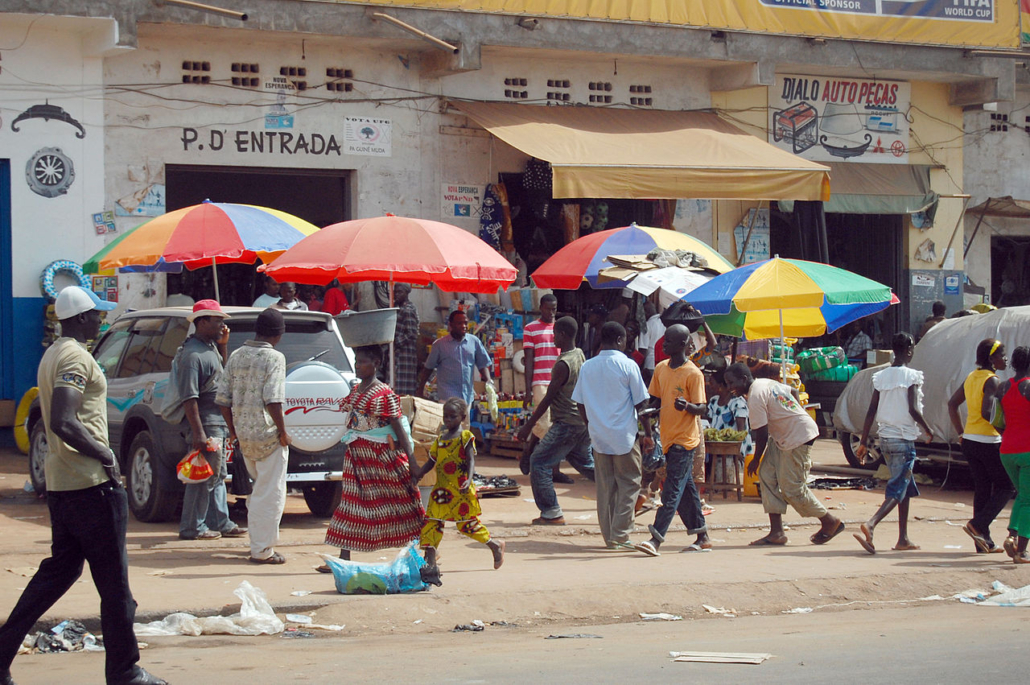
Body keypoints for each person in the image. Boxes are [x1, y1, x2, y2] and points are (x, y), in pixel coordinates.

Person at [0, 286, 166, 685]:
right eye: (96, 314)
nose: (101, 320)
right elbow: (63, 418)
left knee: (57, 573)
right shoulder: (74, 355)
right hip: (91, 485)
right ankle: (125, 671)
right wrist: (106, 455)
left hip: (64, 484)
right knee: (115, 587)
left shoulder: (53, 354)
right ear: (79, 318)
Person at [318, 345, 424, 572]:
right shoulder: (356, 390)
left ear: (376, 363)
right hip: (357, 456)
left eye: (363, 362)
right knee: (349, 503)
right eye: (356, 361)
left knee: (401, 504)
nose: (357, 365)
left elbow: (400, 430)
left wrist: (412, 462)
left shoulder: (384, 394)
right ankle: (343, 558)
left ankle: (423, 552)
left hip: (382, 458)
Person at [724, 362, 845, 546]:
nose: (730, 388)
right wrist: (795, 413)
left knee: (792, 488)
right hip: (784, 436)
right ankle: (777, 532)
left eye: (732, 383)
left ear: (744, 379)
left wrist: (756, 459)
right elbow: (793, 391)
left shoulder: (755, 396)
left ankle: (829, 521)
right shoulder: (765, 383)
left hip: (797, 437)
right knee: (766, 474)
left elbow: (762, 433)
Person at [216, 308, 291, 565]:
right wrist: (283, 431)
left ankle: (259, 542)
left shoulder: (236, 355)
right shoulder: (275, 358)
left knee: (257, 492)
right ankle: (262, 550)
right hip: (268, 436)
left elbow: (223, 399)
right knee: (270, 494)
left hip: (245, 437)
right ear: (279, 335)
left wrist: (234, 430)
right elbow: (274, 399)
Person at [572, 322, 654, 549]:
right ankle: (621, 533)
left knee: (606, 488)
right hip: (624, 435)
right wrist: (648, 434)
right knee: (629, 483)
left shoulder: (588, 366)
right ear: (619, 339)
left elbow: (579, 402)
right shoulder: (627, 365)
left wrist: (591, 424)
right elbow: (642, 404)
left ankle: (610, 537)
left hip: (599, 436)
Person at [172, 300, 247, 541]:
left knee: (217, 474)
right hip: (207, 423)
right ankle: (193, 527)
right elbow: (189, 397)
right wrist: (198, 433)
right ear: (202, 322)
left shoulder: (210, 347)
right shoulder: (192, 355)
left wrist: (223, 347)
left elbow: (222, 376)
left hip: (218, 423)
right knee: (202, 476)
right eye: (218, 321)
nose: (222, 326)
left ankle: (220, 522)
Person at [852, 332, 933, 554]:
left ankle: (903, 538)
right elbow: (913, 409)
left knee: (904, 487)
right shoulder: (912, 376)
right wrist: (928, 428)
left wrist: (864, 440)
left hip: (885, 439)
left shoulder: (881, 376)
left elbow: (871, 410)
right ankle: (871, 523)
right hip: (903, 440)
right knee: (898, 488)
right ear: (908, 349)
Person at [634, 324, 710, 557]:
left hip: (685, 440)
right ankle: (702, 536)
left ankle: (656, 538)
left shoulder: (693, 373)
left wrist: (688, 406)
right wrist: (645, 414)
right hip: (666, 437)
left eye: (668, 341)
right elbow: (655, 400)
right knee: (686, 489)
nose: (663, 344)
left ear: (682, 345)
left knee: (672, 491)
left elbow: (702, 408)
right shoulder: (661, 368)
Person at [412, 398, 505, 585]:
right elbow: (432, 461)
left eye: (452, 416)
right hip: (441, 492)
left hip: (461, 490)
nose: (448, 420)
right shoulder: (440, 440)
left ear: (462, 417)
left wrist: (469, 479)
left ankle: (494, 545)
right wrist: (418, 475)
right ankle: (430, 563)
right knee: (432, 523)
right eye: (445, 416)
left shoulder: (466, 437)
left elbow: (471, 460)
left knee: (467, 525)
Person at [517, 317, 595, 525]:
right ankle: (622, 489)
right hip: (581, 423)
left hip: (566, 424)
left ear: (562, 335)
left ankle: (551, 512)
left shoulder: (562, 364)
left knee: (539, 462)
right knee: (586, 464)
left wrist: (528, 426)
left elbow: (548, 399)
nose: (552, 338)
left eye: (555, 334)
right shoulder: (579, 355)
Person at [948, 338, 1013, 553]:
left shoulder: (972, 377)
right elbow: (987, 413)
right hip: (987, 441)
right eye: (1002, 354)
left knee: (983, 489)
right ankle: (979, 525)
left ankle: (981, 542)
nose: (1005, 358)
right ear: (991, 358)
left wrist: (960, 432)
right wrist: (1005, 431)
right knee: (1006, 486)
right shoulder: (993, 380)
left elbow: (952, 404)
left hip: (970, 441)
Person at [519, 293, 573, 484]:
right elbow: (529, 361)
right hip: (540, 381)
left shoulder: (561, 328)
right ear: (541, 308)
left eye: (554, 309)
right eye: (548, 308)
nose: (551, 312)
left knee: (558, 424)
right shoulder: (530, 329)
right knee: (545, 424)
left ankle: (553, 468)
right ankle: (532, 453)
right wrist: (527, 390)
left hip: (559, 381)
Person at [989, 346, 1030, 563]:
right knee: (1029, 499)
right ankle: (1022, 551)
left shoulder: (1003, 387)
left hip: (1007, 450)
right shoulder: (1029, 387)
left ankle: (1012, 536)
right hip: (1027, 451)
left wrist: (1008, 435)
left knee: (1023, 496)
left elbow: (994, 419)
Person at [418, 310, 492, 414]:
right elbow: (428, 367)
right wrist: (420, 388)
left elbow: (483, 363)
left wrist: (488, 380)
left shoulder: (474, 342)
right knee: (449, 428)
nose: (463, 326)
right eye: (459, 323)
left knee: (465, 429)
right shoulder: (440, 345)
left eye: (465, 323)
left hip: (467, 397)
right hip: (447, 398)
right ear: (451, 325)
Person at [706, 362, 754, 483]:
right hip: (717, 446)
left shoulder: (737, 402)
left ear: (722, 385)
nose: (710, 386)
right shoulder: (713, 402)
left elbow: (741, 430)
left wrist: (739, 450)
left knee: (727, 479)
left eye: (712, 383)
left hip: (734, 447)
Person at [392, 283, 420, 396]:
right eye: (395, 292)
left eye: (400, 292)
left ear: (406, 293)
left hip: (404, 356)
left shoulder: (407, 310)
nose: (397, 295)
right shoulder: (398, 308)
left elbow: (412, 333)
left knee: (402, 390)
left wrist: (395, 342)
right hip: (397, 355)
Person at [638, 301, 665, 385]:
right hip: (663, 364)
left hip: (650, 365)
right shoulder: (665, 323)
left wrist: (639, 368)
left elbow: (643, 349)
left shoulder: (647, 325)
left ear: (646, 312)